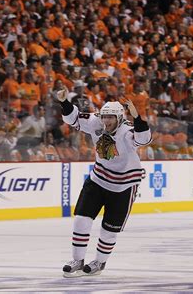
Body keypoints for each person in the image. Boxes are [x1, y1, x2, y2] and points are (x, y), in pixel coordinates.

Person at [56, 87, 152, 277]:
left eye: (110, 118)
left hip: (124, 185)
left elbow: (144, 139)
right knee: (81, 220)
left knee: (109, 230)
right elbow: (72, 118)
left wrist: (138, 117)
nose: (106, 121)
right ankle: (78, 260)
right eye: (104, 117)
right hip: (98, 178)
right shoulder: (95, 122)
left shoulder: (126, 132)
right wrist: (64, 101)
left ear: (119, 118)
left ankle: (99, 262)